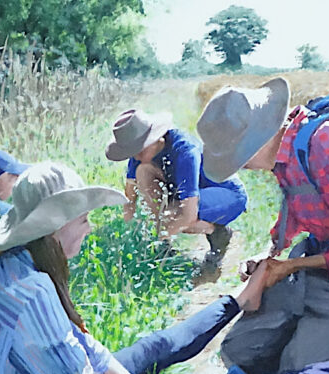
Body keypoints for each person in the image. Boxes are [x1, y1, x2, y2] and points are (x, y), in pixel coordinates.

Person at [0, 161, 268, 374]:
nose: (89, 229)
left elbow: (82, 347)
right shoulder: (33, 292)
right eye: (83, 220)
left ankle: (238, 300)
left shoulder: (13, 265)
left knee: (151, 350)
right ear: (54, 230)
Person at [196, 78, 329, 374]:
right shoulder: (287, 151)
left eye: (238, 157)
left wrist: (291, 267)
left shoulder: (327, 144)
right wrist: (268, 258)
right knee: (239, 351)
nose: (240, 168)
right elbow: (296, 209)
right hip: (318, 266)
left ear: (259, 137)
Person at [105, 109, 247, 265]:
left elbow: (188, 215)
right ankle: (165, 250)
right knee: (143, 171)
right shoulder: (139, 156)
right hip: (188, 194)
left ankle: (218, 234)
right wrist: (126, 237)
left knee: (174, 216)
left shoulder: (185, 151)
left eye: (138, 151)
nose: (135, 157)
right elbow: (129, 200)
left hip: (226, 193)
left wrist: (153, 240)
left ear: (154, 139)